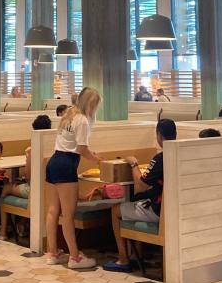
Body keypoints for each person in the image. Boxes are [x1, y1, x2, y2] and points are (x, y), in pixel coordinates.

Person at [104, 119, 176, 272]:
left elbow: (140, 185)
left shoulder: (160, 158)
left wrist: (133, 164)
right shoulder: (180, 153)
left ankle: (123, 259)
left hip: (159, 212)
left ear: (159, 135)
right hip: (174, 210)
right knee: (140, 202)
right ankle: (137, 256)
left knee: (116, 210)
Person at [44, 86, 101, 269]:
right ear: (90, 104)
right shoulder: (83, 120)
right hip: (66, 164)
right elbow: (81, 149)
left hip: (54, 162)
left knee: (53, 211)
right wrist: (97, 160)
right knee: (68, 215)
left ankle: (52, 253)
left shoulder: (68, 114)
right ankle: (75, 257)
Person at [0, 115, 51, 241]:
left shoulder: (33, 150)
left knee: (6, 187)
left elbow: (28, 177)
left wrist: (28, 156)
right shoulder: (53, 145)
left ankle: (3, 231)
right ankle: (21, 224)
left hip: (34, 191)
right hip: (50, 190)